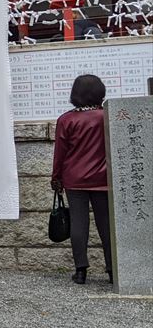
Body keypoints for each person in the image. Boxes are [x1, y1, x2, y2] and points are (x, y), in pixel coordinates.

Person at [51, 74, 112, 285]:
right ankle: (112, 269)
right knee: (106, 224)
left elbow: (60, 154)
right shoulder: (107, 116)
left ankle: (81, 270)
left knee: (79, 223)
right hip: (104, 179)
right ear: (100, 93)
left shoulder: (66, 120)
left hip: (74, 179)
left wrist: (56, 178)